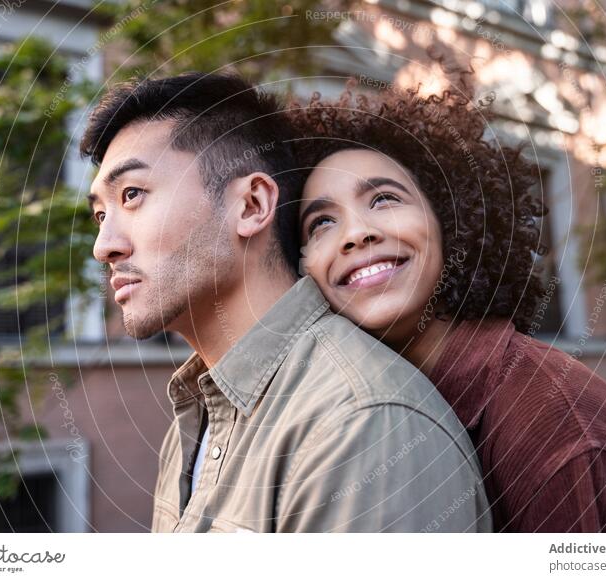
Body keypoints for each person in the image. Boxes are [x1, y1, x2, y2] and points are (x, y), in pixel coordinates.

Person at [80, 73, 492, 532]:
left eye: (132, 194)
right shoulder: (196, 416)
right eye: (100, 214)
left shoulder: (361, 425)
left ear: (252, 205)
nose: (104, 246)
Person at [288, 82, 606, 532]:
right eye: (322, 223)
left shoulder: (568, 443)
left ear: (451, 221)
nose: (356, 233)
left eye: (385, 199)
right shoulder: (378, 414)